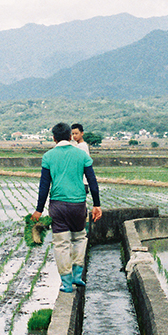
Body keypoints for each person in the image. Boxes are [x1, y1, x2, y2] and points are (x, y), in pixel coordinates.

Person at [32, 122, 102, 292]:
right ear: (70, 137)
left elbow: (44, 186)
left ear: (54, 138)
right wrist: (97, 205)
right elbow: (92, 181)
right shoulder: (81, 155)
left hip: (58, 205)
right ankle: (78, 276)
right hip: (78, 204)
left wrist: (39, 210)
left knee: (61, 243)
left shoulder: (48, 156)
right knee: (79, 238)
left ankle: (67, 282)